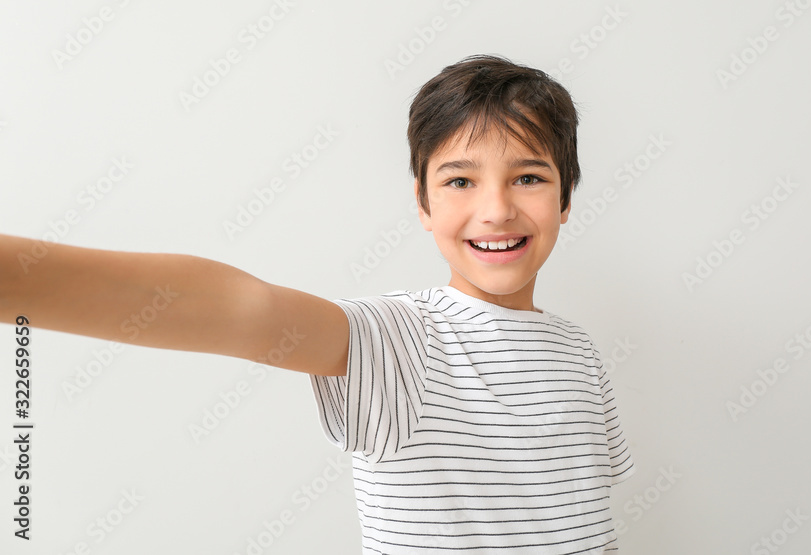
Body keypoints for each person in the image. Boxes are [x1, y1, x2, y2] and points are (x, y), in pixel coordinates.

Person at [0, 54, 635, 553]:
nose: (496, 208)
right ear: (423, 205)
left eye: (528, 177)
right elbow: (246, 310)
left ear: (566, 199)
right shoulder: (404, 340)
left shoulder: (579, 352)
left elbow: (588, 528)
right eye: (460, 181)